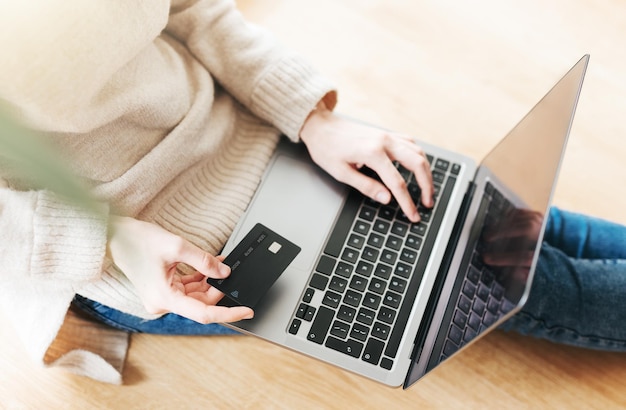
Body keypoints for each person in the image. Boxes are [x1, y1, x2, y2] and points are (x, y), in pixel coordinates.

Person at [0, 0, 624, 385]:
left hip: (266, 140)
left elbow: (192, 10)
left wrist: (312, 120)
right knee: (513, 278)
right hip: (158, 253)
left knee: (490, 214)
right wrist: (109, 237)